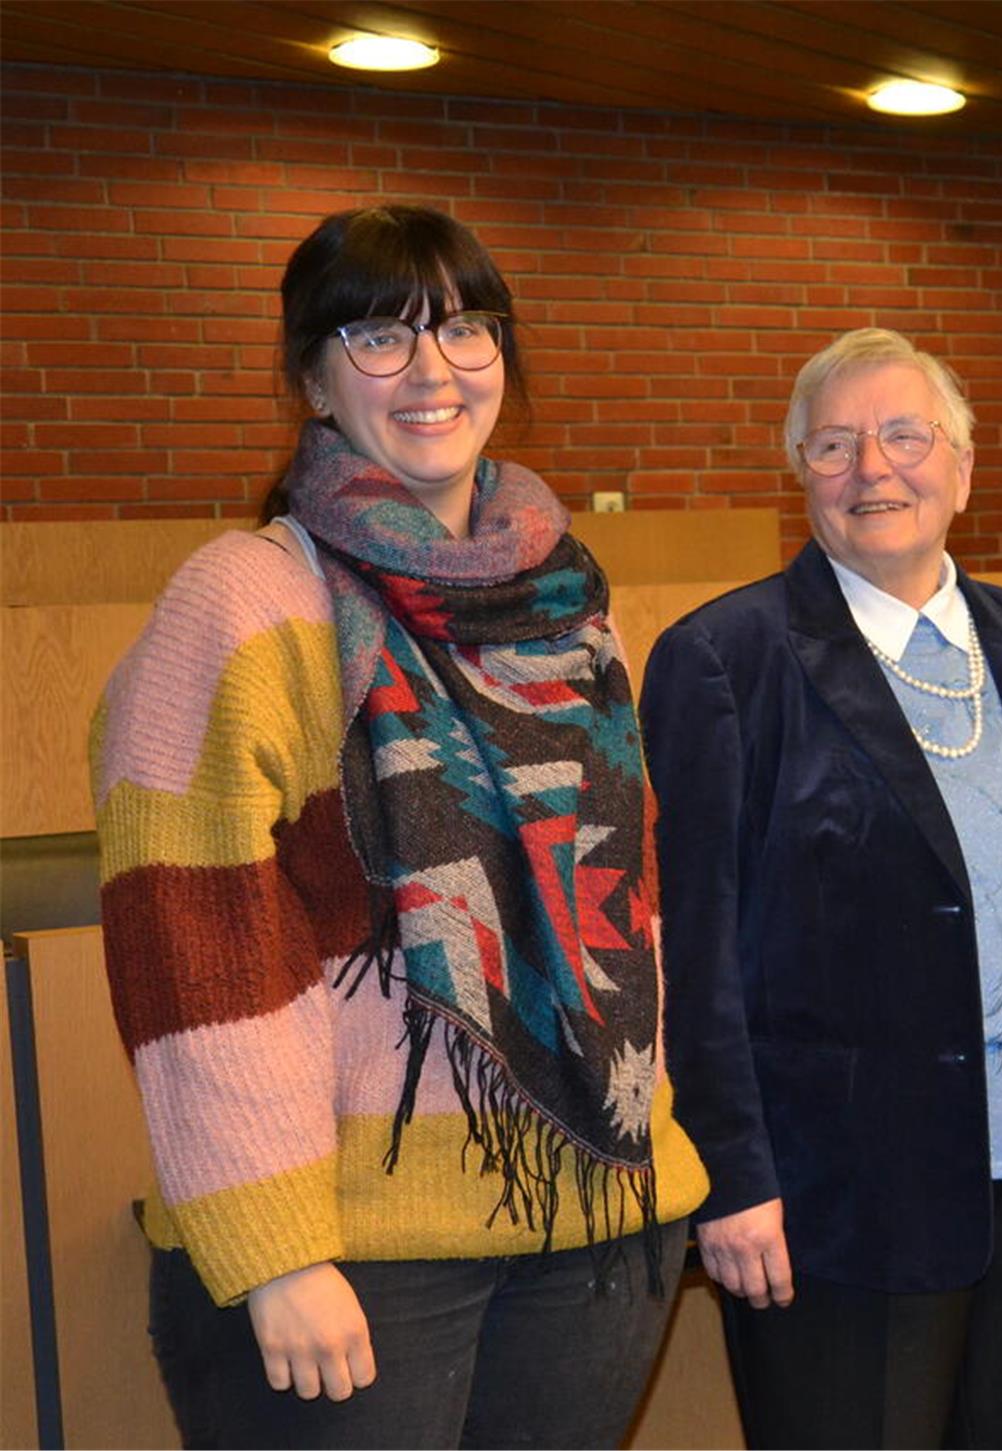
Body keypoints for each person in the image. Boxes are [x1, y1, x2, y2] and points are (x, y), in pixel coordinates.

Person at [91, 205, 709, 1449]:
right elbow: (196, 947)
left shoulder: (568, 598)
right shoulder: (250, 595)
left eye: (466, 328)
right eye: (379, 336)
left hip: (597, 1206)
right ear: (312, 379)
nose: (433, 370)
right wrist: (276, 1250)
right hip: (354, 1249)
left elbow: (626, 894)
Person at [641, 327, 1002, 1449]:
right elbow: (692, 949)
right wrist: (729, 1172)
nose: (874, 469)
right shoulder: (726, 660)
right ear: (798, 470)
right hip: (839, 1196)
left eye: (906, 435)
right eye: (835, 444)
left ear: (962, 466)